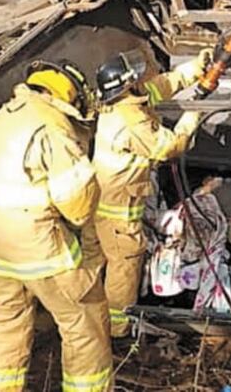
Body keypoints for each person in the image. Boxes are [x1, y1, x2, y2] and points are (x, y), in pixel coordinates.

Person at [0, 60, 112, 392]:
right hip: (43, 253)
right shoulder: (52, 127)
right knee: (83, 321)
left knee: (6, 321)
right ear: (68, 94)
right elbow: (77, 205)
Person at [91, 48, 213, 336]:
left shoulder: (126, 102)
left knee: (99, 263)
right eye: (134, 78)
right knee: (124, 267)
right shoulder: (129, 120)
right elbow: (168, 146)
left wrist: (195, 67)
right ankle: (117, 331)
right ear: (125, 85)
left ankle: (96, 321)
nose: (140, 80)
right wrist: (193, 114)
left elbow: (161, 86)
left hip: (107, 207)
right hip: (118, 215)